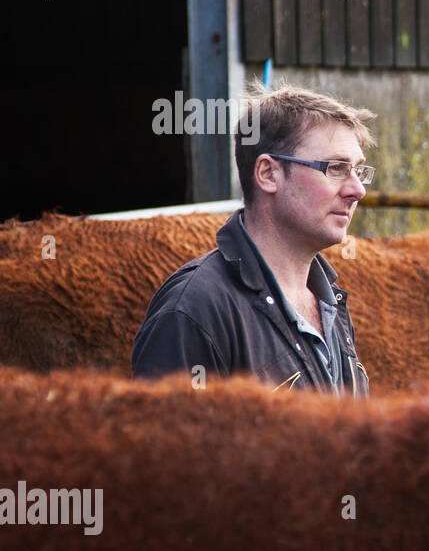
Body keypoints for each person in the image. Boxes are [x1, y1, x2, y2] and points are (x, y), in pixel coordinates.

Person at [133, 84, 375, 396]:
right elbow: (168, 442)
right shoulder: (194, 311)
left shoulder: (330, 301)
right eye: (337, 168)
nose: (358, 190)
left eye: (359, 171)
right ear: (268, 174)